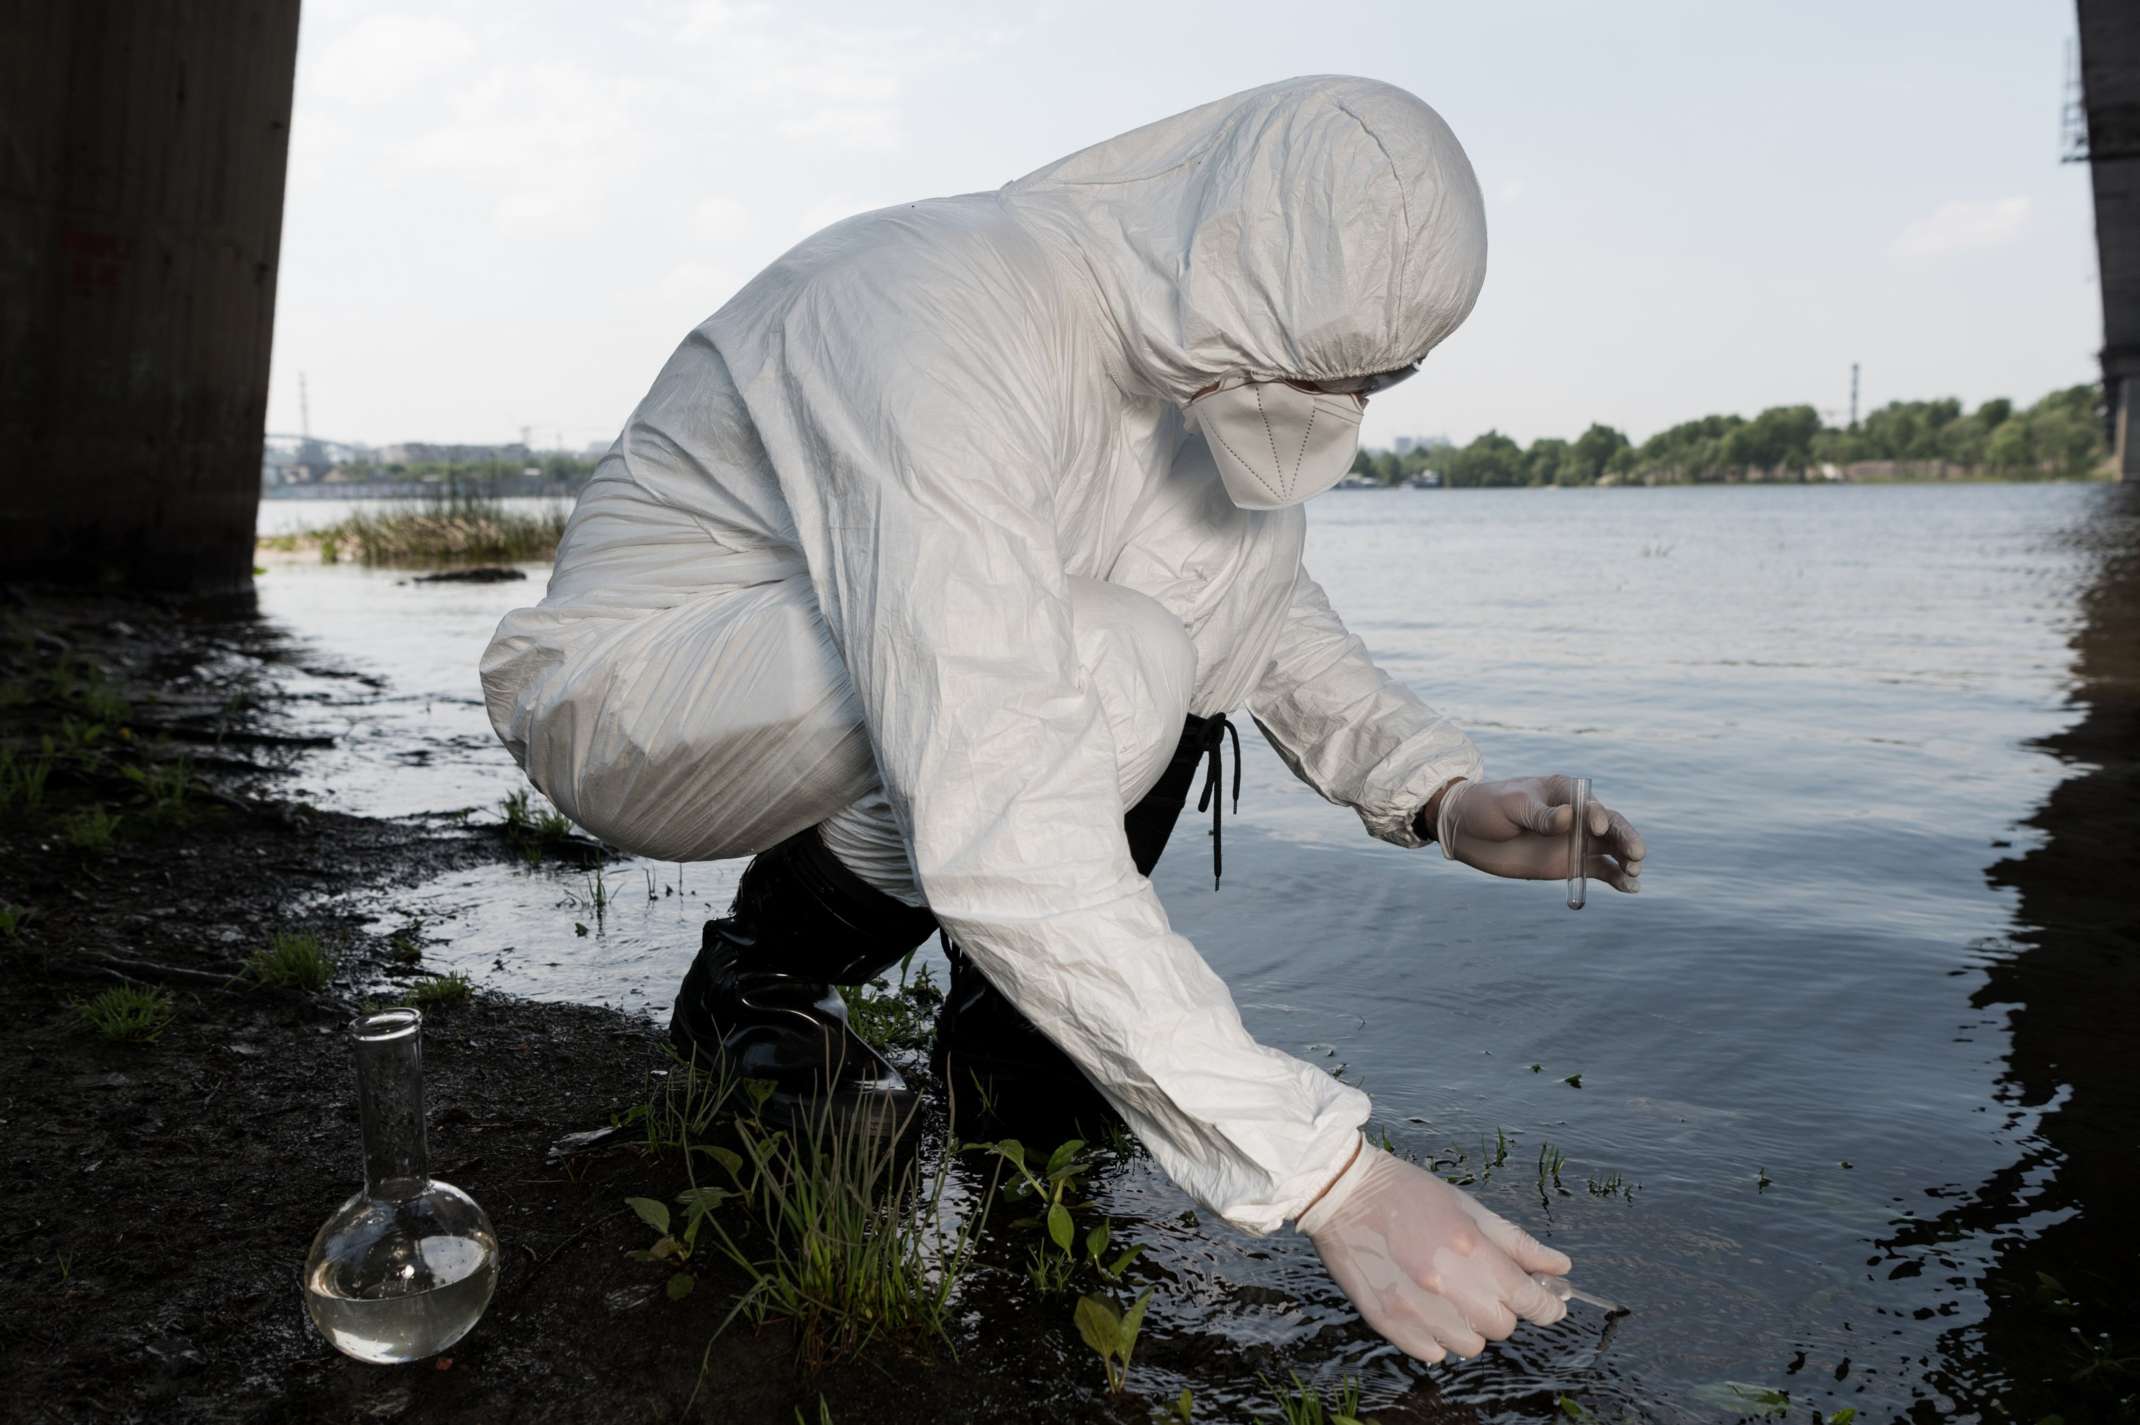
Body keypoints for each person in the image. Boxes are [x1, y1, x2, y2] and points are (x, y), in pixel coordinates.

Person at [480, 75, 1645, 1365]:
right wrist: (1330, 1178)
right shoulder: (931, 307)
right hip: (633, 688)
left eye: (1381, 378)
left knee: (1156, 622)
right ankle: (760, 976)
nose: (1352, 403)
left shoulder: (1170, 358)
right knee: (1107, 663)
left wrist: (1439, 794)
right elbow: (995, 773)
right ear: (1246, 255)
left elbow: (1259, 604)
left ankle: (1021, 1048)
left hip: (847, 670)